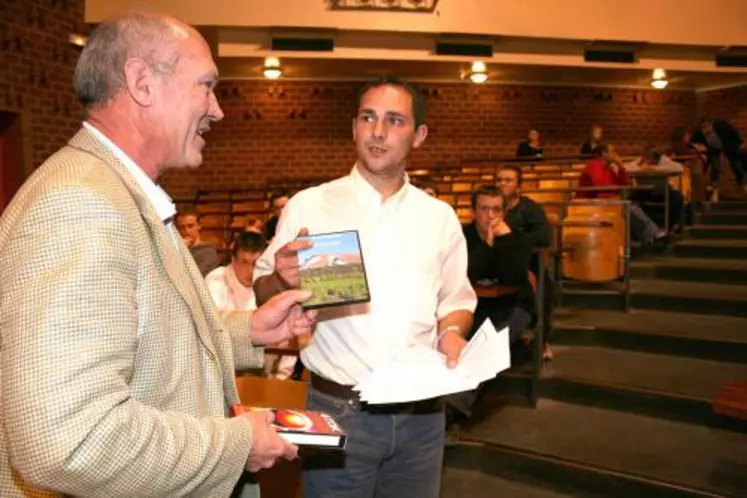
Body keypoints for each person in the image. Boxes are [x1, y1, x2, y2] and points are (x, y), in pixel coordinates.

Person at [0, 11, 317, 498]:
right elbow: (69, 442)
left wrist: (248, 331)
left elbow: (144, 335)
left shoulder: (115, 191)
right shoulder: (81, 206)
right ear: (141, 82)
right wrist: (235, 444)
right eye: (206, 86)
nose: (217, 109)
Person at [253, 76, 477, 498]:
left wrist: (451, 333)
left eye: (395, 121)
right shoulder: (309, 205)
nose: (378, 131)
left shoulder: (439, 217)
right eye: (368, 118)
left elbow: (456, 300)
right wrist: (278, 280)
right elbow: (263, 293)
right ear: (353, 126)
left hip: (423, 417)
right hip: (339, 410)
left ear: (419, 135)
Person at [206, 231, 297, 379]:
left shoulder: (272, 284)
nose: (250, 270)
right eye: (244, 262)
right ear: (233, 260)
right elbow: (213, 329)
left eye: (256, 263)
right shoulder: (216, 280)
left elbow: (288, 340)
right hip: (224, 372)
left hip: (268, 375)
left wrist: (279, 380)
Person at [496, 165, 554, 360]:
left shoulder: (530, 208)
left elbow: (544, 237)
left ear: (518, 185)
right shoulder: (491, 207)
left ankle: (542, 340)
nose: (502, 183)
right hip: (496, 264)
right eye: (499, 180)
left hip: (527, 264)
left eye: (508, 180)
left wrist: (511, 237)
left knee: (544, 286)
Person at [175, 203, 220, 275]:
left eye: (190, 226)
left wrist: (181, 250)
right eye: (182, 227)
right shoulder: (173, 250)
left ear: (199, 226)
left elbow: (194, 278)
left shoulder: (208, 251)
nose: (187, 231)